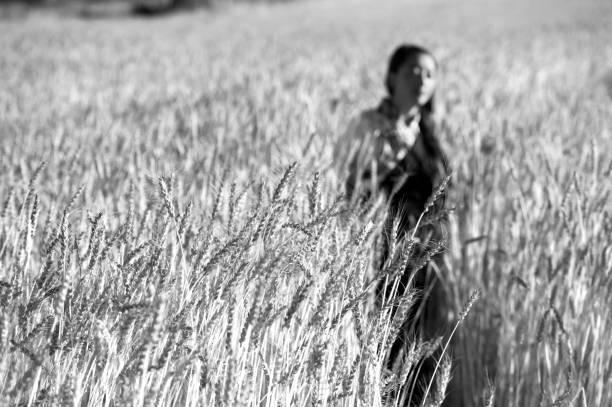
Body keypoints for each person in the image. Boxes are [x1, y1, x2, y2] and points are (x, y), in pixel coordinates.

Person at [334, 44, 451, 404]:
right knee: (384, 339)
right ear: (391, 78)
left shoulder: (429, 131)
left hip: (425, 254)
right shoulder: (367, 125)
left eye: (429, 74)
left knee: (421, 343)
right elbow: (345, 185)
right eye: (413, 71)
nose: (422, 80)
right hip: (380, 251)